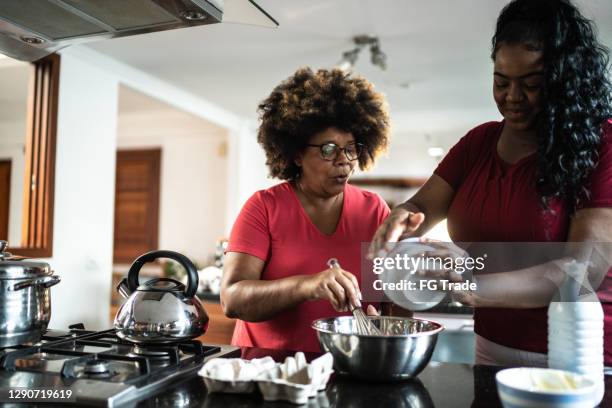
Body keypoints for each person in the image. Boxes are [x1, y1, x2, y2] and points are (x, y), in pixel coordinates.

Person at [369, 0, 612, 366]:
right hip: (491, 346)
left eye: (532, 84)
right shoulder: (478, 144)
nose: (512, 98)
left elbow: (581, 271)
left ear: (565, 81)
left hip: (578, 354)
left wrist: (472, 286)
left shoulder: (603, 145)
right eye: (501, 82)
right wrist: (403, 215)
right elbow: (420, 208)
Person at [221, 67, 392, 352]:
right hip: (267, 372)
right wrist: (307, 286)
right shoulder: (264, 207)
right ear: (297, 154)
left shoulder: (374, 209)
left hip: (350, 369)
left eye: (351, 148)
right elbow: (232, 300)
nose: (344, 160)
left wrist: (383, 327)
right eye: (328, 149)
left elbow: (389, 301)